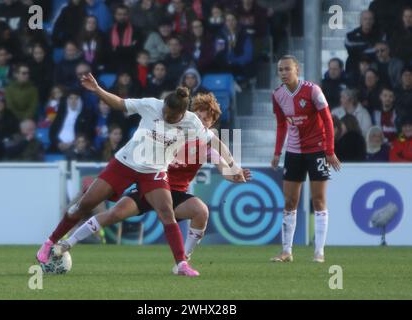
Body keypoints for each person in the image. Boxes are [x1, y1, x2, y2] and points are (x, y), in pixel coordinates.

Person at [37, 73, 245, 277]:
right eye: (165, 112)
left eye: (171, 116)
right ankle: (50, 243)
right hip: (125, 163)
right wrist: (98, 90)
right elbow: (119, 103)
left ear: (181, 114)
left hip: (154, 173)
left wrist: (234, 167)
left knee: (166, 212)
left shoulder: (192, 124)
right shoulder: (151, 105)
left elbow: (216, 142)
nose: (166, 117)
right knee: (85, 205)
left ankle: (181, 263)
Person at [270, 55, 340, 263]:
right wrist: (277, 152)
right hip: (294, 152)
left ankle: (319, 252)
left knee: (318, 200)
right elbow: (282, 124)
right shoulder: (277, 95)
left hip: (317, 150)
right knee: (290, 201)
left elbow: (327, 120)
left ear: (296, 70)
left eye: (287, 69)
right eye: (280, 70)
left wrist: (329, 150)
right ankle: (286, 251)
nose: (283, 73)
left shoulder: (313, 90)